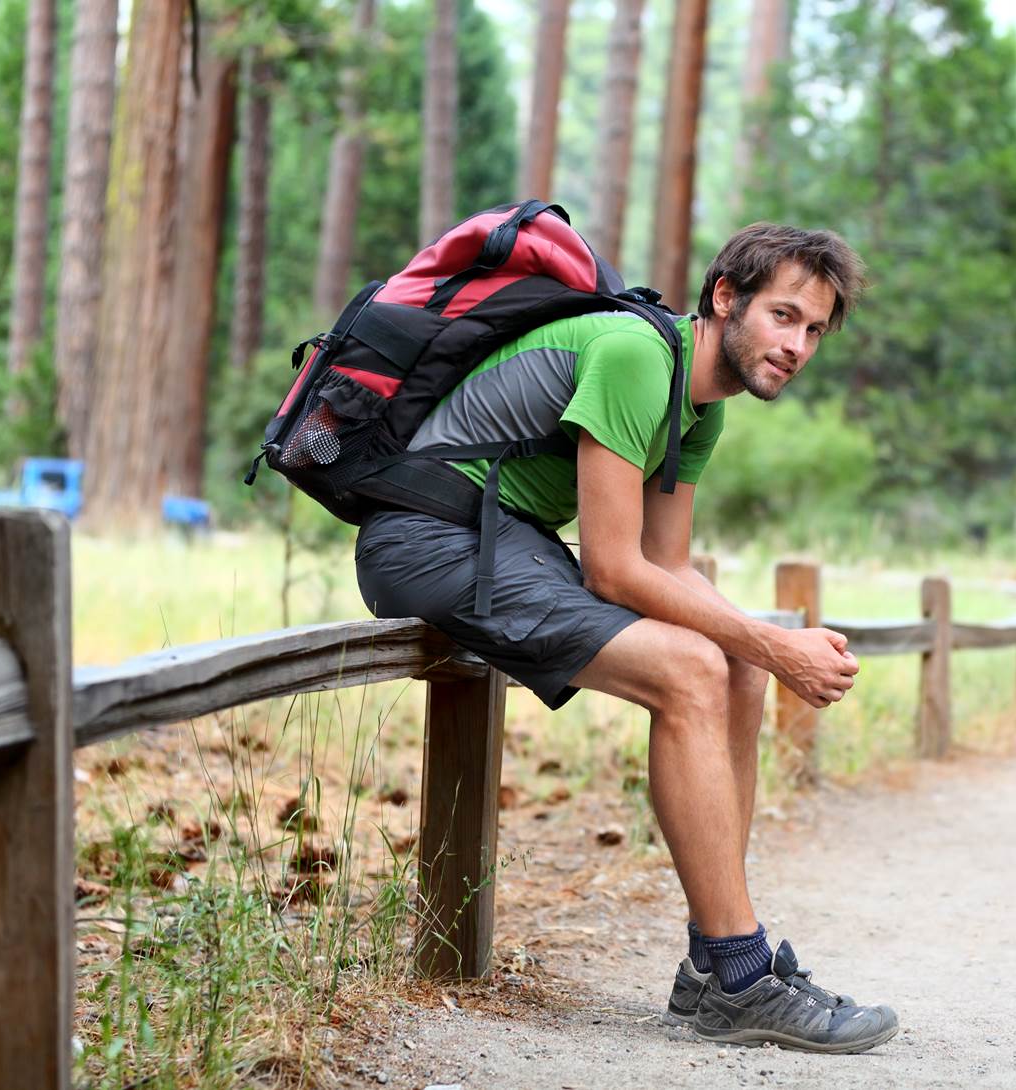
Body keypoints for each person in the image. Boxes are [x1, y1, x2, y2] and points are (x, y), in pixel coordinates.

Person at [354, 223, 897, 1054]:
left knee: (739, 670)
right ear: (725, 297)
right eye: (783, 317)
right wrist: (771, 643)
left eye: (814, 330)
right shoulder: (635, 356)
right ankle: (740, 973)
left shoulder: (699, 406)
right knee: (690, 669)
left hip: (505, 540)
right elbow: (612, 569)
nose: (796, 345)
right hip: (426, 537)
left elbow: (666, 564)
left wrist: (765, 647)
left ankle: (713, 956)